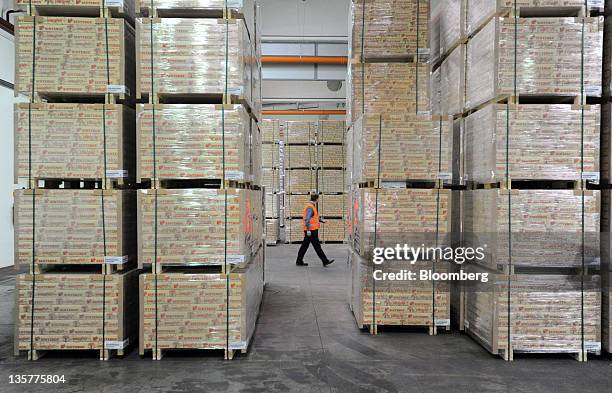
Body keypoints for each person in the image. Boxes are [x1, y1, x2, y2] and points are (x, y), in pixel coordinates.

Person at [296, 194, 334, 267]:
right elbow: (307, 219)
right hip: (311, 231)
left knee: (307, 246)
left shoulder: (311, 206)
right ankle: (324, 260)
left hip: (312, 230)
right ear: (316, 199)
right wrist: (308, 230)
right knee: (315, 246)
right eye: (318, 199)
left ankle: (299, 261)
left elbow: (313, 217)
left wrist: (321, 221)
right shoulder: (310, 207)